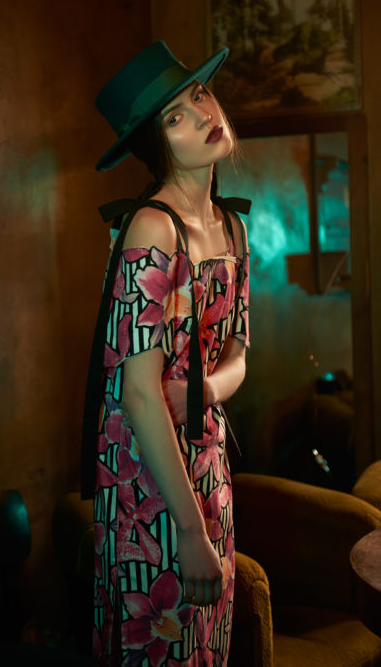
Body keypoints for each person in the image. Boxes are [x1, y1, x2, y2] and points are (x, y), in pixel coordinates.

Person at [81, 41, 250, 667]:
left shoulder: (233, 227)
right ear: (157, 146)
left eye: (200, 96)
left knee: (210, 647)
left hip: (208, 466)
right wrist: (188, 527)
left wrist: (203, 391)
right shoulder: (152, 226)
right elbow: (138, 392)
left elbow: (239, 354)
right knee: (162, 646)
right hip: (148, 478)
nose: (204, 114)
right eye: (176, 116)